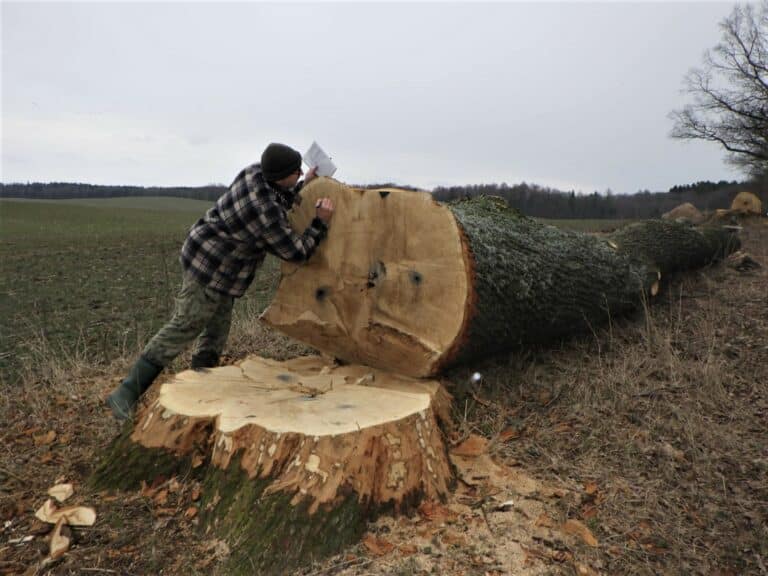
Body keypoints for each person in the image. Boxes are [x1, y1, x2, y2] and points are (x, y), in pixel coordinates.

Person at [106, 143, 334, 420]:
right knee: (186, 324)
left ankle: (203, 380)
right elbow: (296, 252)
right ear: (280, 175)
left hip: (220, 263)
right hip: (210, 266)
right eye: (296, 171)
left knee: (217, 327)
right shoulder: (263, 210)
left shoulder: (255, 173)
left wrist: (302, 184)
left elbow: (278, 198)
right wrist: (320, 223)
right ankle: (126, 392)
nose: (300, 173)